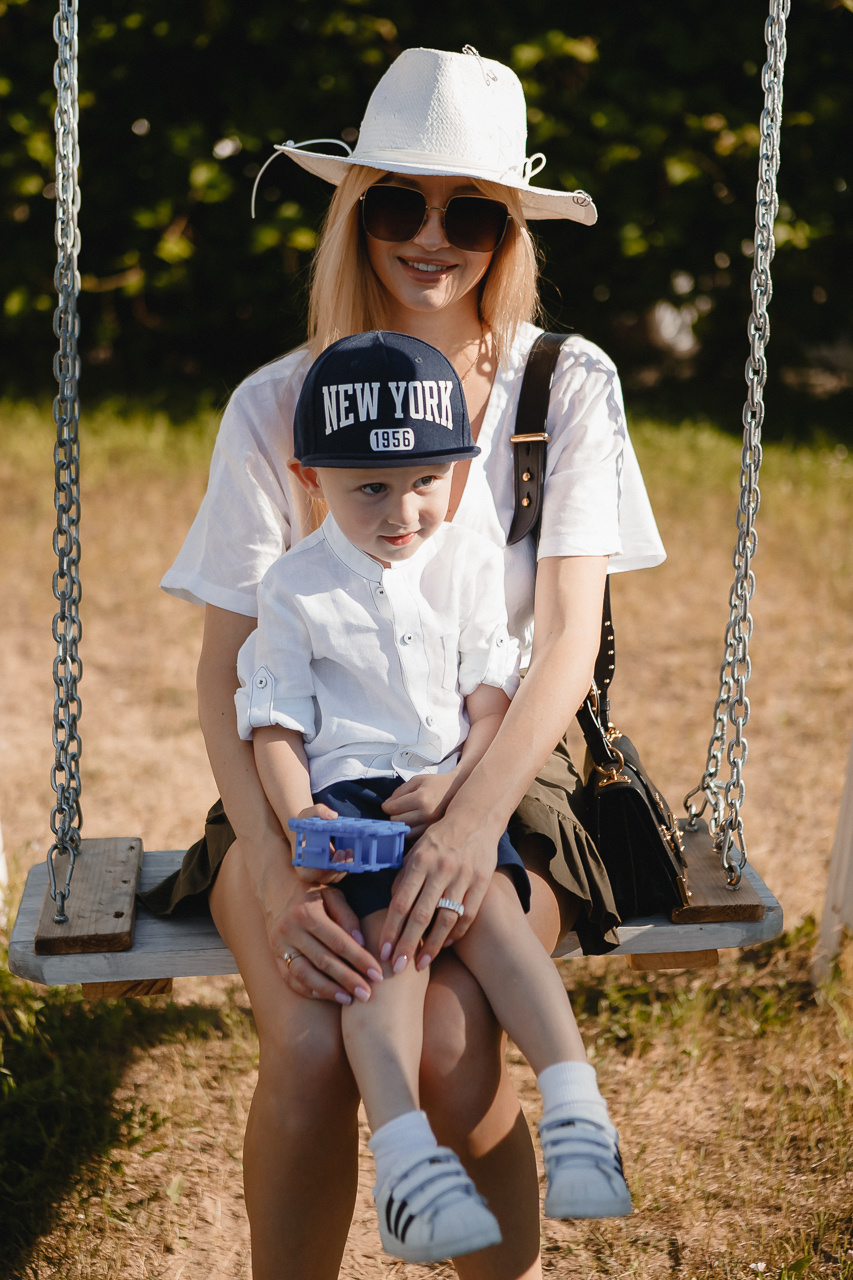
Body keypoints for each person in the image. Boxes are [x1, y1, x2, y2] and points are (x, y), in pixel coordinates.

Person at [142, 45, 665, 1280]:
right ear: (353, 209)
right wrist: (278, 870)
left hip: (505, 776)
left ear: (509, 230)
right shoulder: (279, 403)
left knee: (443, 1038)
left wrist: (462, 819)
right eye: (397, 203)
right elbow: (229, 673)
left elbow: (559, 656)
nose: (431, 239)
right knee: (317, 1045)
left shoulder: (561, 384)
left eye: (470, 211)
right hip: (311, 786)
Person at [234, 329, 633, 1264]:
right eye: (368, 487)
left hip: (450, 786)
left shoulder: (462, 561)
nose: (401, 508)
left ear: (456, 472)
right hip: (352, 800)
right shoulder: (293, 587)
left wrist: (463, 786)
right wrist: (303, 823)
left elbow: (488, 696)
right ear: (310, 477)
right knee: (389, 954)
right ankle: (408, 1156)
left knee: (485, 906)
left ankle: (576, 1105)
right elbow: (276, 722)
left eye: (424, 480)